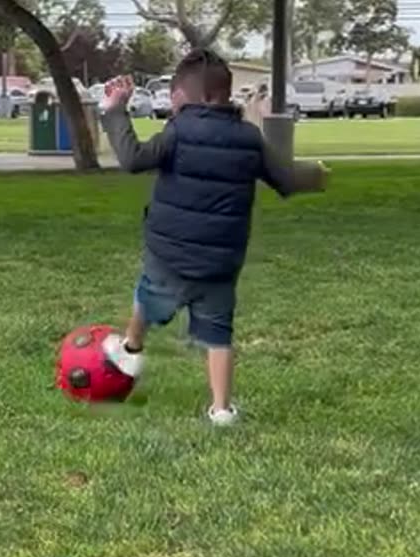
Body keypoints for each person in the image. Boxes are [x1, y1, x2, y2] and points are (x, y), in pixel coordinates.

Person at [96, 50, 328, 426]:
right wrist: (318, 176)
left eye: (174, 97)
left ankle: (131, 349)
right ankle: (221, 410)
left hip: (168, 253)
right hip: (221, 262)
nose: (171, 104)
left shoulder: (178, 131)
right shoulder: (249, 139)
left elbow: (133, 158)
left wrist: (114, 110)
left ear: (193, 98)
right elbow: (285, 180)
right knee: (219, 331)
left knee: (148, 294)